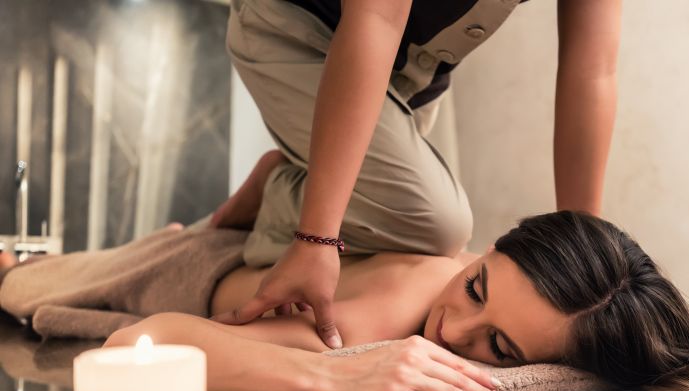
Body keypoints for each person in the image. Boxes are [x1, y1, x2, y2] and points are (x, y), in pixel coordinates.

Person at [209, 0, 623, 351]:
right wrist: (316, 235)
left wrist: (582, 253)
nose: (454, 334)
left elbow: (593, 72)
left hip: (409, 82)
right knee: (437, 225)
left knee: (399, 232)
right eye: (474, 291)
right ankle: (283, 188)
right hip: (301, 29)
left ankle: (292, 178)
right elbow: (377, 17)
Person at [104, 210, 689, 391]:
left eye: (499, 350)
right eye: (476, 288)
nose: (451, 332)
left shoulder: (509, 290)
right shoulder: (388, 313)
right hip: (178, 270)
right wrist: (330, 378)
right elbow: (144, 338)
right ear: (490, 250)